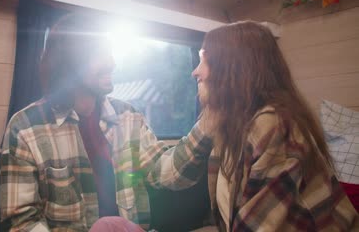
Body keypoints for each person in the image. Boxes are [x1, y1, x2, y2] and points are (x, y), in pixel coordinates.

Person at [147, 21, 359, 231]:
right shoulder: (227, 120)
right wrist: (208, 120)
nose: (195, 71)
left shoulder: (273, 124)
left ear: (233, 68)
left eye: (204, 59)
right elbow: (169, 175)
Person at [0, 14, 168, 231]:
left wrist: (207, 126)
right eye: (99, 54)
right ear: (69, 62)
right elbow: (20, 223)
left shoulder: (128, 116)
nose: (112, 62)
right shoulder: (24, 127)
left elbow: (163, 172)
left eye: (110, 53)